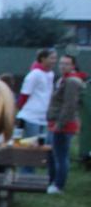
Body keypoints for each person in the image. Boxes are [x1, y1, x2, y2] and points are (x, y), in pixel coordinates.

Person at [46, 54, 84, 194]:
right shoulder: (62, 79)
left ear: (73, 66)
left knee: (60, 156)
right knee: (51, 154)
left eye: (67, 64)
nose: (63, 66)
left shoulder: (71, 81)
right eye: (61, 63)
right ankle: (51, 180)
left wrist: (60, 124)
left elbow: (69, 105)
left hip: (63, 125)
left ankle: (58, 185)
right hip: (54, 122)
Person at [16, 48, 55, 142]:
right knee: (30, 144)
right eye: (51, 58)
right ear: (43, 59)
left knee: (42, 145)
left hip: (43, 117)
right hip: (31, 117)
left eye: (55, 58)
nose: (54, 61)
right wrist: (20, 108)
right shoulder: (34, 75)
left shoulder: (51, 74)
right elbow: (24, 95)